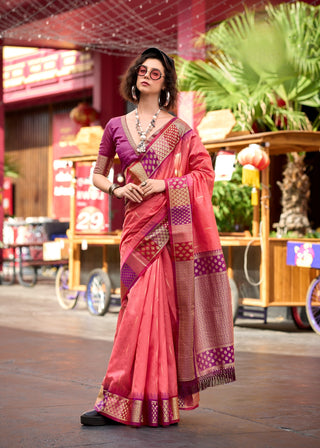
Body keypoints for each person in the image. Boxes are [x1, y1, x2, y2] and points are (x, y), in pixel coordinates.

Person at [81, 47, 235, 428]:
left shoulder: (182, 131)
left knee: (157, 313)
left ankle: (153, 400)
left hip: (168, 233)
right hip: (135, 229)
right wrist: (118, 191)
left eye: (156, 72)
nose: (147, 75)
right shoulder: (115, 126)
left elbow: (203, 175)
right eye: (142, 70)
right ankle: (120, 397)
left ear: (165, 84)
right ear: (134, 77)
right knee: (135, 310)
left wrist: (162, 186)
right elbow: (98, 175)